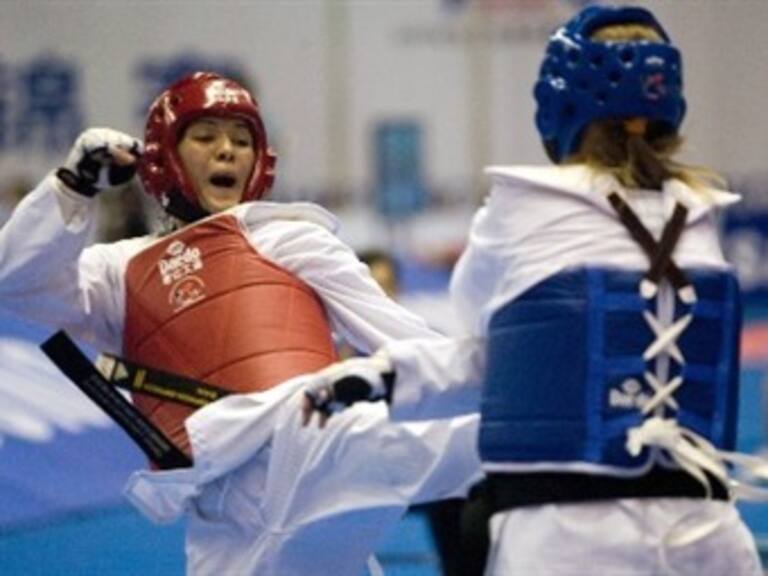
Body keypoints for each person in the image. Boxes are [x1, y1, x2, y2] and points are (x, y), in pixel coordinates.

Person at [303, 5, 766, 575]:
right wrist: (389, 377)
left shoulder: (522, 208)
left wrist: (386, 375)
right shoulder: (701, 217)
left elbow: (489, 349)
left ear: (559, 99)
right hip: (704, 534)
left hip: (564, 538)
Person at [0, 72, 482, 575]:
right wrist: (72, 187)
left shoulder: (287, 238)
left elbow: (401, 334)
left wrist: (482, 379)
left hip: (306, 449)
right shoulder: (119, 270)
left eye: (242, 140)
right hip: (222, 522)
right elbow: (18, 282)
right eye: (205, 137)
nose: (226, 151)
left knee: (495, 431)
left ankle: (545, 427)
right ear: (165, 156)